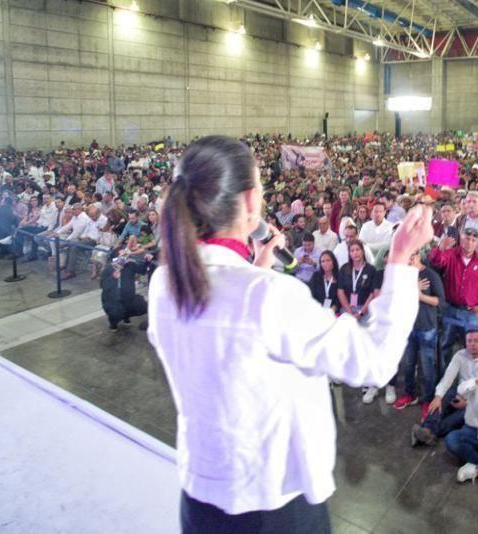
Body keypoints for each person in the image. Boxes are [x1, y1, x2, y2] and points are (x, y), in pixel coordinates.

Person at [147, 136, 433, 532]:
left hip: (201, 498)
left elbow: (229, 337)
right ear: (249, 203)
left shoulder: (164, 284)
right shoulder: (268, 297)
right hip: (274, 508)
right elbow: (375, 361)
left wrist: (256, 270)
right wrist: (400, 259)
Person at [411, 330, 478, 446]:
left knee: (456, 418)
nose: (472, 344)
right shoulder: (460, 355)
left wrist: (467, 404)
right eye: (469, 341)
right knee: (441, 399)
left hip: (477, 402)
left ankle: (429, 433)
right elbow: (448, 378)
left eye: (476, 341)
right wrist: (438, 396)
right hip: (459, 392)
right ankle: (427, 430)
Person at [429, 227, 478, 358]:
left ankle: (468, 378)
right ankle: (446, 376)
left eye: (473, 240)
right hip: (449, 309)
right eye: (467, 238)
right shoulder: (450, 254)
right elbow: (436, 262)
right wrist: (440, 248)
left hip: (471, 312)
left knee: (473, 348)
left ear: (477, 242)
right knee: (445, 345)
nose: (470, 242)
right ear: (461, 239)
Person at [393, 251, 445, 411]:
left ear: (419, 256)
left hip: (426, 327)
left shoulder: (430, 275)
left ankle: (428, 400)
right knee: (408, 364)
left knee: (427, 365)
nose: (409, 259)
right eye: (407, 255)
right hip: (408, 327)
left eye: (412, 255)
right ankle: (410, 393)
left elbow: (440, 301)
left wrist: (420, 296)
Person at [336, 239, 384, 403]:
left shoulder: (371, 270)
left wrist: (362, 312)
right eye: (352, 251)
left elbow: (373, 293)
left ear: (363, 251)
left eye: (357, 250)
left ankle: (371, 384)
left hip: (366, 313)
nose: (355, 253)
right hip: (348, 312)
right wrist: (350, 312)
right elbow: (341, 291)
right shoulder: (344, 269)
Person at [101, 256, 148, 331]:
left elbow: (143, 270)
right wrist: (113, 277)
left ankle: (126, 317)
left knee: (141, 306)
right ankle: (113, 324)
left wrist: (147, 261)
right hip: (112, 299)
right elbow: (103, 285)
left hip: (128, 296)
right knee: (114, 312)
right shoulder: (108, 269)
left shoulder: (130, 265)